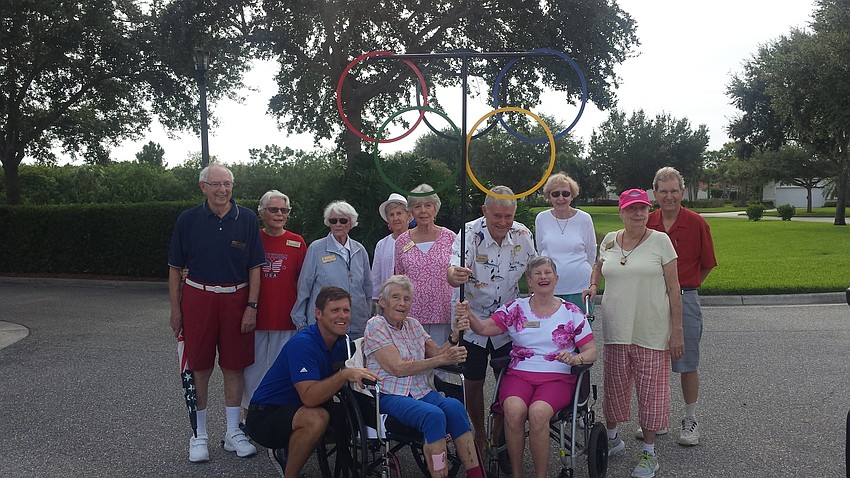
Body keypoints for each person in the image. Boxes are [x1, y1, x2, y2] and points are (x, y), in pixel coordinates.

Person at [458, 256, 597, 478]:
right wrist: (468, 314)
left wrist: (576, 359)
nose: (543, 277)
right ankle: (517, 474)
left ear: (556, 278)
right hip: (519, 375)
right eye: (537, 274)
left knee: (538, 413)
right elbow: (484, 328)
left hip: (557, 377)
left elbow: (591, 351)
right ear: (529, 281)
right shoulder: (515, 308)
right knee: (513, 411)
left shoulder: (571, 312)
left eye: (547, 273)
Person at [582, 188, 684, 478]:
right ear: (621, 212)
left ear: (648, 211)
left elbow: (674, 288)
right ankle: (613, 438)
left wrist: (677, 331)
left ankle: (649, 453)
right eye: (631, 208)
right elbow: (599, 267)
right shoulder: (610, 240)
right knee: (614, 388)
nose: (638, 213)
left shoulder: (660, 241)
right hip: (617, 328)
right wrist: (593, 285)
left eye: (642, 208)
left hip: (651, 330)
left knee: (651, 393)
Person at [167, 164, 265, 463]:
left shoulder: (246, 218)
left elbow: (255, 267)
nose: (223, 190)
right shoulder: (188, 219)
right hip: (198, 298)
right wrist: (175, 310)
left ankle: (233, 432)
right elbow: (174, 268)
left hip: (237, 299)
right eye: (216, 184)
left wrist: (251, 306)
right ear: (203, 187)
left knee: (234, 367)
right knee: (199, 367)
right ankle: (199, 434)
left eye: (227, 184)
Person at [246, 286, 379, 477]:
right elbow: (309, 398)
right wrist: (343, 374)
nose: (342, 316)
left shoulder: (341, 341)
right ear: (318, 314)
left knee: (351, 412)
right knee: (317, 418)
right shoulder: (303, 343)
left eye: (346, 310)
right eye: (335, 310)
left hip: (297, 406)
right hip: (266, 414)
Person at [363, 275, 485, 478]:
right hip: (389, 394)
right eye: (395, 297)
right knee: (433, 415)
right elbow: (397, 368)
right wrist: (443, 359)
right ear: (382, 301)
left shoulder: (413, 325)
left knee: (455, 407)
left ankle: (476, 474)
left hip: (420, 391)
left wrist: (455, 335)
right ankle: (440, 474)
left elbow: (436, 353)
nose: (402, 303)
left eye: (407, 299)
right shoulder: (376, 326)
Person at [446, 185, 537, 451]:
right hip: (471, 317)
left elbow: (533, 271)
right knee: (473, 381)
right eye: (497, 216)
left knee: (507, 380)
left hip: (506, 320)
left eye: (508, 216)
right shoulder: (469, 233)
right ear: (484, 210)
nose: (503, 222)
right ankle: (479, 432)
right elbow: (453, 270)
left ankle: (498, 435)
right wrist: (454, 274)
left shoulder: (522, 234)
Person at [644, 167, 717, 446]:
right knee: (652, 360)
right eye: (663, 191)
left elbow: (707, 264)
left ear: (682, 192)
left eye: (674, 190)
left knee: (687, 361)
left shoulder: (697, 223)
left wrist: (685, 288)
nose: (669, 196)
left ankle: (690, 419)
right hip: (652, 299)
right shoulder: (647, 222)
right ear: (655, 193)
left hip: (685, 297)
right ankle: (657, 418)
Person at [240, 190, 307, 422]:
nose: (279, 214)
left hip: (286, 319)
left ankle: (277, 417)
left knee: (282, 371)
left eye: (284, 210)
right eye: (274, 209)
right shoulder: (252, 239)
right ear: (262, 213)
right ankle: (249, 416)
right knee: (252, 370)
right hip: (255, 318)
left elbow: (304, 282)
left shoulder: (297, 242)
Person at [292, 200, 372, 339]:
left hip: (358, 326)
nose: (338, 224)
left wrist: (369, 318)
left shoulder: (360, 250)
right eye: (333, 221)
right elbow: (304, 286)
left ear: (351, 223)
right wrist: (301, 323)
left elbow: (367, 289)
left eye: (343, 220)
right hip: (325, 327)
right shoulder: (316, 249)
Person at [394, 184, 457, 344]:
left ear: (435, 209)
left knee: (443, 357)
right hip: (411, 315)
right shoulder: (402, 241)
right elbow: (398, 278)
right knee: (414, 357)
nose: (423, 211)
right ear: (411, 211)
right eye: (417, 206)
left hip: (443, 312)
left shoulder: (450, 238)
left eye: (428, 205)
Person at [534, 173, 597, 311]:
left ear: (572, 195)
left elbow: (591, 252)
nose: (561, 198)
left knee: (580, 324)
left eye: (565, 193)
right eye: (555, 194)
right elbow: (541, 251)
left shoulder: (584, 219)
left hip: (580, 287)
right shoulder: (541, 219)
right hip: (550, 287)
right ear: (549, 196)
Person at [371, 193, 410, 308]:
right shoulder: (382, 244)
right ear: (388, 219)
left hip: (411, 300)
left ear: (408, 216)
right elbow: (376, 276)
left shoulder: (416, 240)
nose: (395, 218)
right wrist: (375, 300)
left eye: (399, 213)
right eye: (391, 215)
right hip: (388, 302)